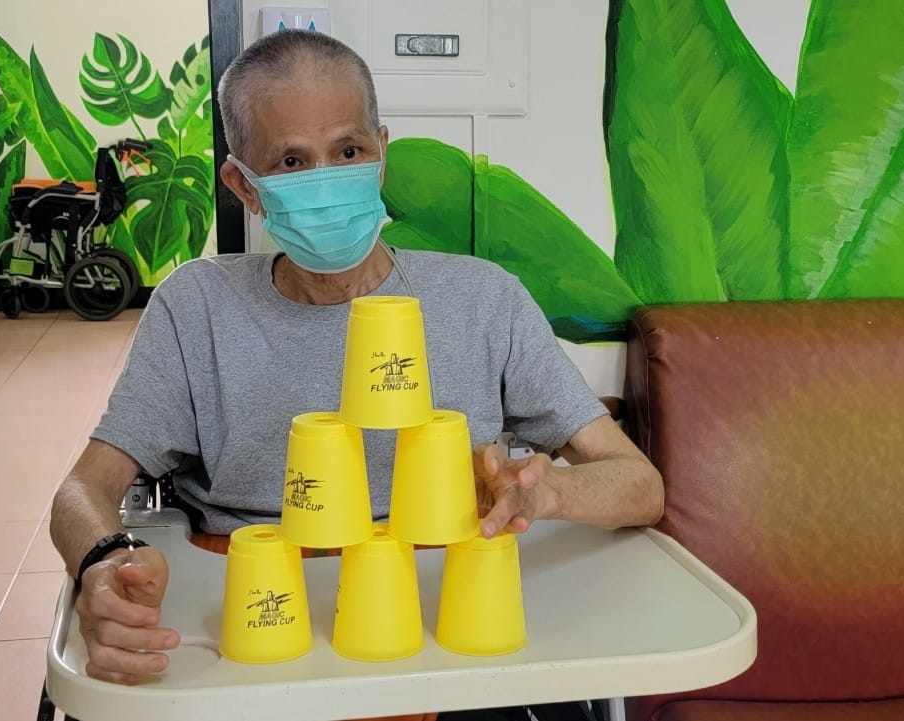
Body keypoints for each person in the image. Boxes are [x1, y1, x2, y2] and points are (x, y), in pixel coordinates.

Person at [49, 28, 663, 717]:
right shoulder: (196, 307)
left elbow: (640, 486)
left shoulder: (482, 298)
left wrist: (549, 494)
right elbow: (82, 488)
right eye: (291, 161)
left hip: (448, 612)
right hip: (261, 616)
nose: (326, 180)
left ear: (381, 155)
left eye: (348, 152)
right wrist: (104, 560)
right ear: (244, 186)